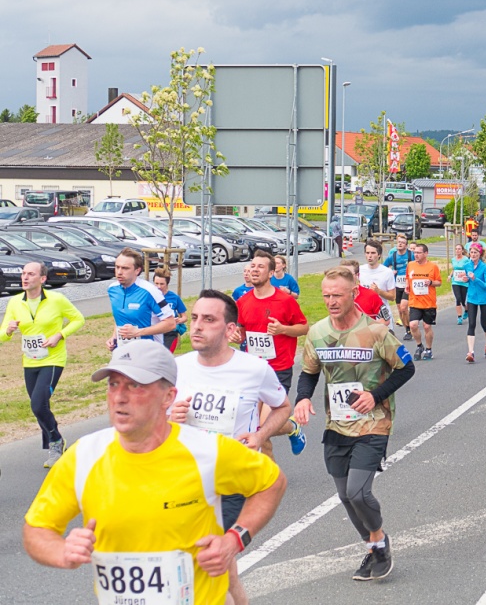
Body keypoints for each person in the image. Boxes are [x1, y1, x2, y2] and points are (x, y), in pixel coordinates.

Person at [23, 341, 286, 605]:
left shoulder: (206, 450)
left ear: (168, 397)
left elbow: (272, 483)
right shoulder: (84, 455)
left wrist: (234, 540)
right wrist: (62, 552)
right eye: (113, 384)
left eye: (135, 386)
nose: (120, 397)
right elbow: (37, 528)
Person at [295, 267, 415, 582]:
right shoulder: (318, 332)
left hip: (373, 423)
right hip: (337, 426)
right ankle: (373, 548)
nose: (331, 301)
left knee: (358, 493)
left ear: (352, 294)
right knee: (345, 496)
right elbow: (309, 372)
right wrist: (303, 398)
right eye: (326, 295)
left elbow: (406, 368)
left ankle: (378, 540)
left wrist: (375, 396)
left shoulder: (375, 332)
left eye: (337, 295)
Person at [171, 289, 292, 605]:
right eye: (195, 317)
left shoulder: (254, 369)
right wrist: (170, 416)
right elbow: (154, 422)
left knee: (206, 559)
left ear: (230, 330)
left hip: (229, 481)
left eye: (208, 319)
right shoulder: (176, 367)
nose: (197, 326)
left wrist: (260, 435)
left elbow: (282, 407)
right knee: (223, 567)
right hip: (183, 480)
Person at [2, 261, 85, 468]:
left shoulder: (56, 299)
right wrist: (9, 330)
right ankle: (55, 440)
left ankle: (55, 442)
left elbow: (78, 319)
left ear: (42, 279)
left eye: (30, 274)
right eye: (23, 273)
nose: (25, 277)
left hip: (53, 360)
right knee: (39, 406)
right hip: (30, 361)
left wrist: (60, 334)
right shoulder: (14, 303)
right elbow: (2, 336)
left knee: (38, 404)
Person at [234, 250, 310, 457]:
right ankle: (268, 480)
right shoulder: (243, 302)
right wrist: (235, 337)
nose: (254, 270)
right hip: (252, 371)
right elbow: (241, 334)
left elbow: (304, 328)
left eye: (260, 267)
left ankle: (292, 427)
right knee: (255, 431)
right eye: (252, 266)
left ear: (270, 273)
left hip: (278, 369)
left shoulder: (284, 301)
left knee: (264, 427)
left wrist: (283, 329)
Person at [107, 247, 177, 350]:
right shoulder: (112, 289)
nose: (119, 272)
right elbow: (121, 317)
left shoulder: (150, 291)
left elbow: (170, 324)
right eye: (117, 267)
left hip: (149, 353)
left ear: (137, 270)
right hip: (123, 352)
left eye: (125, 268)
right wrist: (114, 337)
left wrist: (137, 332)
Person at [406, 243, 442, 360]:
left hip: (429, 302)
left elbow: (439, 282)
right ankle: (419, 345)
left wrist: (431, 282)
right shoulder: (410, 265)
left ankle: (429, 349)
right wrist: (407, 287)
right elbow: (408, 278)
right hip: (415, 301)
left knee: (427, 327)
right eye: (414, 252)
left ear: (425, 253)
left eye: (418, 253)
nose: (415, 255)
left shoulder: (433, 267)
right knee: (413, 325)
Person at [463, 244, 486, 363]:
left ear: (480, 254)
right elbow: (468, 279)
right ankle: (471, 352)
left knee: (484, 323)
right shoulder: (467, 266)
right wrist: (466, 279)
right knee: (471, 324)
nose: (473, 255)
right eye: (471, 252)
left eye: (476, 252)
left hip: (484, 299)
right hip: (471, 298)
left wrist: (475, 278)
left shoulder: (485, 268)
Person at [359, 240, 398, 331]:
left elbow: (392, 297)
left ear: (379, 255)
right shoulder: (360, 270)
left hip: (382, 314)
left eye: (373, 253)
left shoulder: (387, 272)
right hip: (365, 314)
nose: (370, 256)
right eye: (367, 253)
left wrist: (378, 291)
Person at [384, 234, 414, 335]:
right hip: (397, 285)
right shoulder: (393, 256)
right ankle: (408, 329)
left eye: (402, 243)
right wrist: (390, 271)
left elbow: (419, 264)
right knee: (400, 310)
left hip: (408, 284)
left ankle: (410, 327)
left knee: (403, 307)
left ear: (406, 245)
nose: (400, 244)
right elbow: (383, 267)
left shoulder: (411, 255)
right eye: (399, 242)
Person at [153, 268, 187, 353]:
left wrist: (179, 320)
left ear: (167, 284)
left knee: (166, 356)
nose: (159, 287)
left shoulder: (174, 297)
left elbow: (185, 317)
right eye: (156, 283)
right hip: (154, 331)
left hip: (170, 333)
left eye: (162, 284)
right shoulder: (149, 297)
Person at [450, 244, 472, 325]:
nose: (457, 251)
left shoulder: (466, 259)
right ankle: (459, 317)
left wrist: (464, 275)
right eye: (456, 249)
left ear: (462, 250)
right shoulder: (453, 259)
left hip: (464, 282)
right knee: (458, 298)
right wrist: (450, 276)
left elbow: (469, 269)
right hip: (455, 281)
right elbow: (454, 269)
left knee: (463, 300)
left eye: (459, 249)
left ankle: (466, 309)